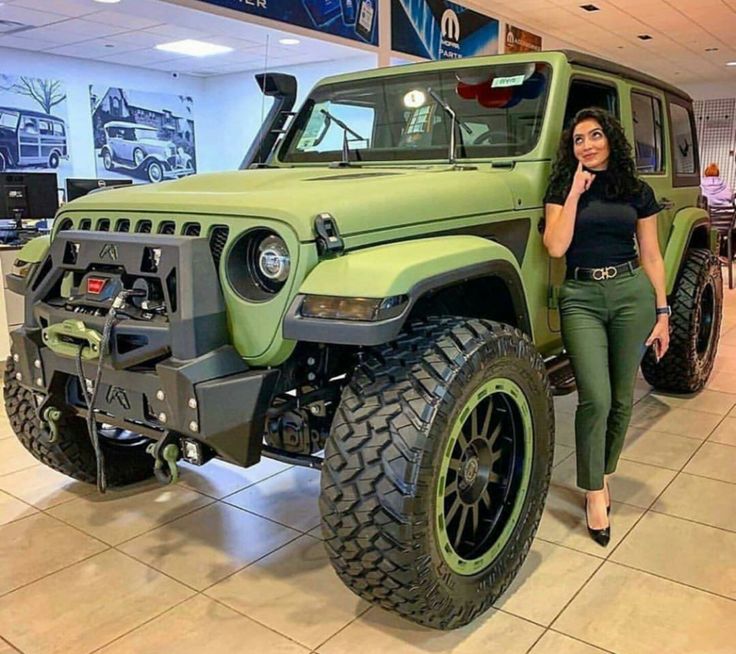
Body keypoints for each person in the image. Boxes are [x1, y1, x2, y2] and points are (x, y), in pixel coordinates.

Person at [543, 107, 670, 547]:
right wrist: (576, 193)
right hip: (581, 298)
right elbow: (557, 248)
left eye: (595, 135)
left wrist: (662, 312)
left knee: (621, 399)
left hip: (631, 293)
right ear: (571, 148)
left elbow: (652, 255)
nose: (588, 145)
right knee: (594, 398)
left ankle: (603, 470)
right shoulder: (563, 186)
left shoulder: (635, 190)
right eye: (579, 139)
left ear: (610, 139)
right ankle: (594, 491)